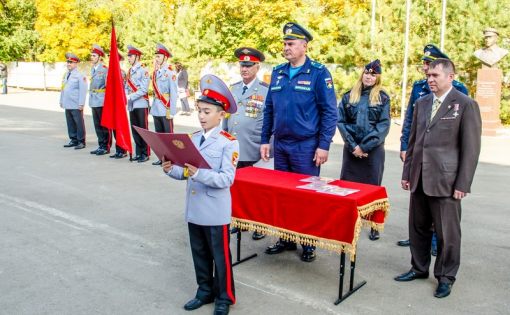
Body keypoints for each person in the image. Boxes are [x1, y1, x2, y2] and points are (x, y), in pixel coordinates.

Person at [395, 58, 481, 299]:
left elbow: (471, 149)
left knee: (447, 234)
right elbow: (414, 141)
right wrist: (407, 172)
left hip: (447, 181)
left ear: (450, 77)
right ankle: (419, 267)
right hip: (420, 177)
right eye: (429, 75)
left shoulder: (464, 104)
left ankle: (446, 276)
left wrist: (463, 184)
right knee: (418, 228)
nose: (430, 79)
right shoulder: (422, 103)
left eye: (435, 75)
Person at [260, 22, 338, 262]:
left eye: (291, 44)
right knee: (283, 195)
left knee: (306, 196)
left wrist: (324, 144)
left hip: (306, 146)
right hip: (281, 144)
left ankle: (308, 242)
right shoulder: (278, 72)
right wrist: (265, 140)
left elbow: (329, 111)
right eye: (284, 44)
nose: (286, 48)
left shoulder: (318, 72)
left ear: (304, 46)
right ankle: (286, 238)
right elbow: (269, 109)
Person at [162, 74, 239, 315]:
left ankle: (224, 298)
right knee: (200, 254)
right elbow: (184, 172)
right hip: (194, 209)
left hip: (215, 211)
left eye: (207, 111)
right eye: (200, 111)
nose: (202, 116)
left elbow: (226, 179)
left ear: (221, 114)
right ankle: (204, 290)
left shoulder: (229, 142)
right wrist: (170, 169)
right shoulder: (193, 139)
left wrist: (197, 174)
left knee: (220, 257)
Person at [397, 44, 469, 251]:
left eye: (433, 70)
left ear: (449, 75)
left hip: (444, 173)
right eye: (426, 69)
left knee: (445, 224)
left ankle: (440, 257)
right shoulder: (421, 93)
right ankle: (419, 257)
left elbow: (468, 144)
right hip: (420, 166)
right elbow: (411, 125)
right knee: (418, 221)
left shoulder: (462, 97)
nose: (428, 75)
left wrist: (462, 182)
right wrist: (405, 152)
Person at [337, 59, 391, 241]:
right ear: (362, 74)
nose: (369, 76)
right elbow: (341, 122)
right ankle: (349, 220)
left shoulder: (382, 98)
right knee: (348, 187)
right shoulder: (348, 96)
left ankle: (373, 224)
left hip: (372, 150)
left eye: (373, 74)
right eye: (367, 73)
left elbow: (383, 126)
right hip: (352, 149)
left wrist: (364, 146)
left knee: (372, 188)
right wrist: (354, 146)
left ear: (378, 78)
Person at [224, 47, 268, 241]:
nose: (244, 69)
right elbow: (226, 117)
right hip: (233, 147)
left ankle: (258, 224)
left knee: (256, 191)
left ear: (257, 67)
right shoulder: (232, 89)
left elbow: (270, 121)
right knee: (236, 188)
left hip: (253, 147)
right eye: (242, 65)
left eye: (249, 65)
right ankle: (240, 221)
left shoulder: (265, 91)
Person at [150, 43, 178, 166]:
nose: (157, 59)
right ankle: (162, 157)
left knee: (168, 135)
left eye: (159, 56)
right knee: (159, 135)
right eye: (156, 56)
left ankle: (172, 159)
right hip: (156, 107)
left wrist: (172, 111)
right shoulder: (156, 72)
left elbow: (174, 93)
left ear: (165, 58)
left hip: (165, 107)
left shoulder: (170, 73)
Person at [125, 44, 150, 163]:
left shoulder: (144, 70)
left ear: (137, 57)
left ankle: (145, 153)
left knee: (143, 130)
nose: (128, 58)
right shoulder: (130, 71)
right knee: (134, 129)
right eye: (128, 56)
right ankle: (139, 152)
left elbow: (144, 90)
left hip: (141, 104)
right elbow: (126, 86)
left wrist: (130, 96)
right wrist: (125, 94)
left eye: (130, 56)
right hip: (132, 105)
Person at [60, 52, 87, 149]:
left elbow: (83, 91)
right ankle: (73, 139)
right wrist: (61, 100)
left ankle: (81, 141)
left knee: (78, 123)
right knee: (70, 122)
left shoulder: (80, 75)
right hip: (67, 103)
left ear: (76, 64)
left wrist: (81, 103)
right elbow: (63, 88)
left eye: (71, 62)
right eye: (68, 62)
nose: (68, 64)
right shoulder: (66, 74)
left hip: (76, 104)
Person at [88, 44, 111, 156]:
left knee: (104, 125)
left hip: (101, 100)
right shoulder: (92, 69)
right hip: (93, 100)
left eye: (94, 55)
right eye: (91, 55)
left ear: (99, 57)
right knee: (97, 124)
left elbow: (108, 87)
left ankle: (106, 146)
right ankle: (100, 145)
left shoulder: (105, 69)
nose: (92, 57)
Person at [110, 51, 129, 159]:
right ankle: (118, 150)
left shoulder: (121, 73)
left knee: (120, 127)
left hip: (119, 104)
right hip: (112, 103)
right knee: (114, 128)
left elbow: (123, 88)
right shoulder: (109, 72)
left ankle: (123, 150)